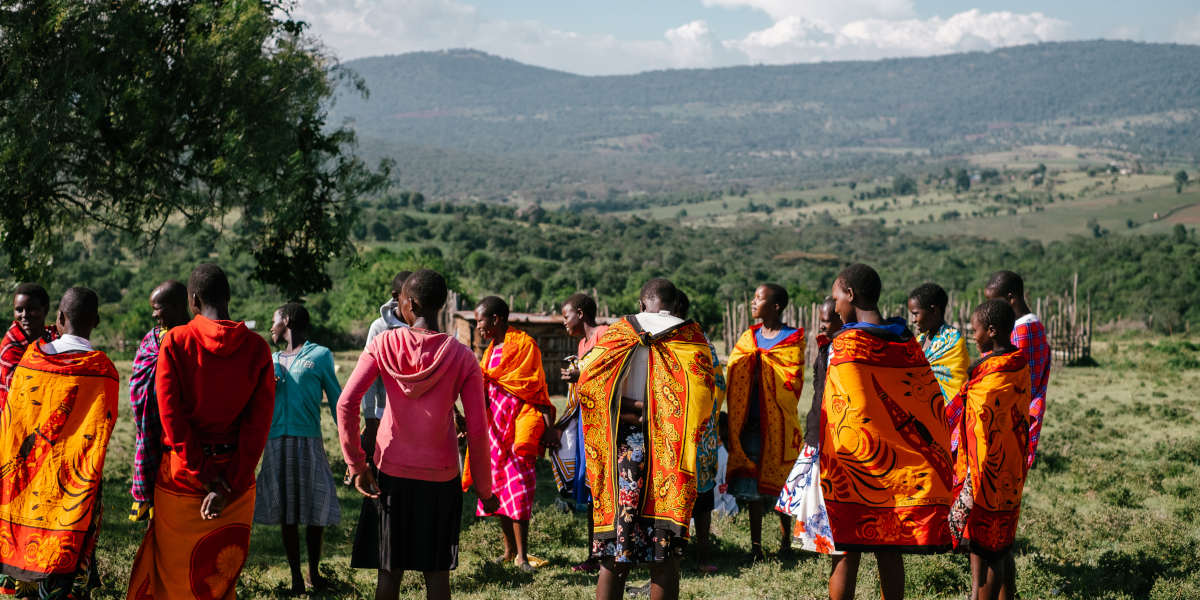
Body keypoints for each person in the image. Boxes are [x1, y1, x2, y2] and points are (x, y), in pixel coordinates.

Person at [336, 269, 498, 600]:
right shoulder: (463, 357)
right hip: (441, 478)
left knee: (389, 574)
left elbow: (346, 404)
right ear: (441, 306)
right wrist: (484, 487)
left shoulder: (383, 344)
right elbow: (479, 430)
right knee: (437, 574)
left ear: (409, 303)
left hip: (389, 473)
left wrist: (357, 465)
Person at [127, 264, 276, 599]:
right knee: (217, 579)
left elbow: (171, 417)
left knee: (174, 575)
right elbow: (258, 426)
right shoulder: (257, 348)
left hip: (181, 477)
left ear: (193, 301)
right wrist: (230, 482)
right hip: (235, 486)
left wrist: (203, 473)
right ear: (229, 297)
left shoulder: (176, 342)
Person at [818, 264, 954, 600]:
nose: (835, 307)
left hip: (853, 468)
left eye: (837, 298)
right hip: (899, 470)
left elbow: (837, 409)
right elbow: (926, 402)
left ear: (850, 295)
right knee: (889, 549)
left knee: (845, 550)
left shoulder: (847, 343)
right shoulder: (906, 341)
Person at [576, 278, 715, 600]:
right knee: (664, 555)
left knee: (613, 555)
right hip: (672, 451)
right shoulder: (692, 338)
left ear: (642, 304)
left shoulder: (618, 333)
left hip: (622, 451)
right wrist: (656, 410)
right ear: (674, 304)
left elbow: (588, 387)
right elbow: (704, 399)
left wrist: (634, 411)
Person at [0, 288, 117, 599]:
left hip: (32, 474)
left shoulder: (31, 360)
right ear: (97, 321)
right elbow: (102, 433)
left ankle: (26, 585)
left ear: (59, 319)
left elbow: (13, 425)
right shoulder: (104, 370)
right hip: (77, 482)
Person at [254, 303, 343, 593]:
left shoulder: (320, 356)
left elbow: (337, 401)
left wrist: (349, 444)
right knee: (287, 512)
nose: (271, 328)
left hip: (309, 440)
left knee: (315, 509)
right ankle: (295, 577)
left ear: (288, 321)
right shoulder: (272, 360)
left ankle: (314, 573)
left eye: (274, 321)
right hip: (277, 441)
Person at [947, 300, 1031, 600]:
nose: (973, 335)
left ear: (991, 331)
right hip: (1009, 467)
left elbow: (983, 421)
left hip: (987, 472)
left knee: (993, 545)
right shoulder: (1017, 363)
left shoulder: (994, 375)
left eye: (976, 330)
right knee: (996, 540)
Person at [465, 296, 556, 571]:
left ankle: (523, 556)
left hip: (518, 429)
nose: (477, 326)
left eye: (480, 320)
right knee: (497, 491)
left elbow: (536, 388)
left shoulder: (526, 346)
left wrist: (548, 428)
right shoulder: (489, 350)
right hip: (494, 431)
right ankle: (507, 552)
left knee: (518, 491)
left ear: (496, 319)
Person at [724, 283, 804, 562]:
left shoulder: (793, 339)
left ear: (775, 306)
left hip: (780, 428)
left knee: (783, 486)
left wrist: (765, 368)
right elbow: (734, 368)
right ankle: (755, 546)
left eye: (759, 299)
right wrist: (751, 364)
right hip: (749, 423)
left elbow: (792, 381)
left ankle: (785, 542)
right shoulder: (750, 337)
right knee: (752, 490)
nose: (753, 303)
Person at [351, 270, 411, 570]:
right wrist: (370, 420)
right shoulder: (380, 328)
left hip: (414, 422)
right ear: (396, 298)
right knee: (381, 484)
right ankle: (381, 550)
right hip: (382, 417)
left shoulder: (423, 324)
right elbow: (368, 380)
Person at [775, 296, 842, 554]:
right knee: (810, 492)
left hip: (834, 433)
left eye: (827, 321)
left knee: (825, 494)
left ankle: (830, 543)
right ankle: (818, 541)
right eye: (821, 321)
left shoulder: (844, 350)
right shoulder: (826, 347)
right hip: (817, 429)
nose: (822, 326)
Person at [554, 293, 610, 574]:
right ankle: (595, 555)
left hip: (605, 426)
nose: (564, 322)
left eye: (566, 316)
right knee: (591, 493)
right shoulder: (582, 344)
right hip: (587, 423)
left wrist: (580, 377)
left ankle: (606, 555)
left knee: (602, 491)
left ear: (580, 312)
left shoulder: (604, 335)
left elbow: (611, 375)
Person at [128, 280, 190, 522]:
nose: (154, 315)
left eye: (158, 308)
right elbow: (137, 382)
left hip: (180, 434)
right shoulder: (151, 340)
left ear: (176, 306)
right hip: (152, 430)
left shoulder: (192, 337)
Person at [674, 291, 726, 574]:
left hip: (693, 430)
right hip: (683, 430)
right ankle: (682, 552)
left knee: (699, 497)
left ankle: (696, 552)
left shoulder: (697, 341)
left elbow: (716, 382)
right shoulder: (691, 340)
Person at [984, 271, 1050, 470]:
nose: (991, 309)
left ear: (1011, 298)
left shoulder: (1022, 331)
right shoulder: (1035, 324)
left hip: (1012, 415)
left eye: (995, 303)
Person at [908, 282, 971, 456]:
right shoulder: (920, 339)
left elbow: (956, 386)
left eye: (915, 314)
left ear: (933, 311)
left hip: (947, 418)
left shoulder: (953, 341)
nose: (912, 320)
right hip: (921, 418)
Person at [0, 283, 58, 409]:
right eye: (19, 310)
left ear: (45, 309)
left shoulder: (55, 339)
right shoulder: (11, 347)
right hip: (15, 415)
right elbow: (17, 390)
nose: (24, 315)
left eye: (32, 309)